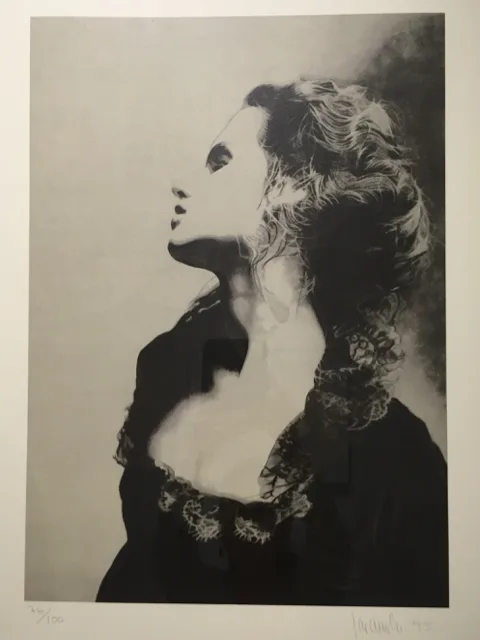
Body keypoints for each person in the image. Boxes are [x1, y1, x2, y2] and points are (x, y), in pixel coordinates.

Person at [96, 79, 448, 606]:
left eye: (219, 163)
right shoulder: (167, 369)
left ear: (297, 187)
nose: (181, 182)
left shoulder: (392, 455)